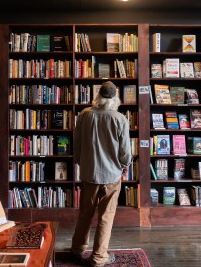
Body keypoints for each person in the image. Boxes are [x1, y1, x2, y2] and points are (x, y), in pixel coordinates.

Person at [70, 81, 132, 267]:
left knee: (85, 214)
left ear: (97, 97)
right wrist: (125, 164)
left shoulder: (84, 115)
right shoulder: (120, 118)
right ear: (115, 98)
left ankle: (77, 250)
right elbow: (125, 152)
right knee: (106, 217)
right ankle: (98, 258)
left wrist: (82, 162)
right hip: (112, 175)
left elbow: (77, 144)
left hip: (89, 173)